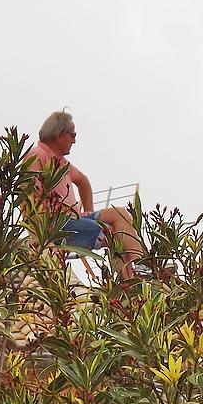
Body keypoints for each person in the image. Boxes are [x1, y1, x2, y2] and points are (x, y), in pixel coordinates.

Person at [26, 111, 145, 279]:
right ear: (59, 136)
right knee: (112, 233)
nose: (74, 140)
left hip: (72, 218)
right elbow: (28, 196)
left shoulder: (61, 161)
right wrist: (39, 236)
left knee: (119, 214)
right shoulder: (37, 156)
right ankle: (130, 279)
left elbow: (83, 181)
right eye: (72, 134)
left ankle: (140, 266)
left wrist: (88, 210)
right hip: (55, 227)